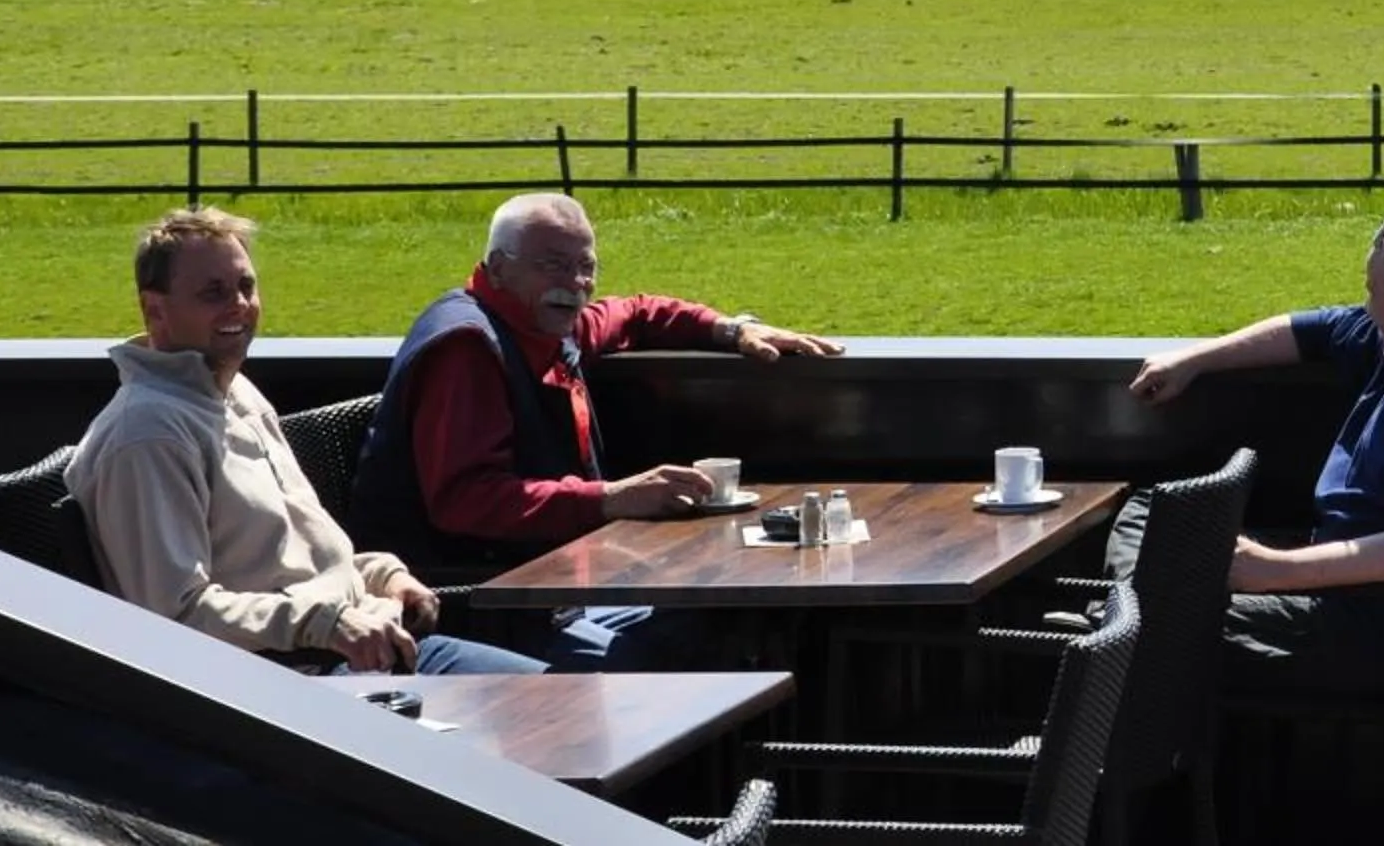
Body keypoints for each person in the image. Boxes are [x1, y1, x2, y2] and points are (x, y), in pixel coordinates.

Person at [347, 192, 838, 659]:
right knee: (673, 655)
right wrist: (613, 497)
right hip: (478, 601)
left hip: (555, 585)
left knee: (723, 620)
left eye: (587, 267)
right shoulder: (467, 348)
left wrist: (734, 329)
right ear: (498, 268)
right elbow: (465, 501)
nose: (577, 283)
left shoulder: (544, 324)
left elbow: (636, 313)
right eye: (554, 264)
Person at [66, 207, 544, 678]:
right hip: (292, 690)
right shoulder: (146, 435)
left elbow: (296, 562)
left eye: (246, 287)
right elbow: (177, 615)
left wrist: (383, 575)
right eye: (213, 293)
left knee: (561, 702)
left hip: (370, 649)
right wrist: (326, 625)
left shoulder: (235, 394)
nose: (239, 305)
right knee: (555, 723)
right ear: (156, 309)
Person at [1124, 212, 1384, 696]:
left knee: (1159, 638)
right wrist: (1193, 360)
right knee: (1155, 509)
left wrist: (1273, 571)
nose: (1365, 306)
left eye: (1372, 290)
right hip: (1345, 596)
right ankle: (1133, 612)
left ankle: (1124, 625)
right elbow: (1315, 330)